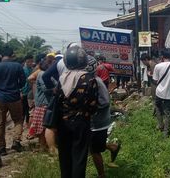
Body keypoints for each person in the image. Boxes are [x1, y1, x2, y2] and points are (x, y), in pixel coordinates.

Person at [56, 45, 99, 178]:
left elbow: (57, 100)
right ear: (83, 60)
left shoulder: (62, 78)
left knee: (65, 157)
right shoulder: (89, 78)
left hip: (62, 123)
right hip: (81, 123)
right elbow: (93, 105)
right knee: (79, 157)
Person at [86, 56, 121, 178]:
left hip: (98, 121)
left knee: (94, 150)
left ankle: (101, 175)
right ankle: (113, 147)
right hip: (97, 120)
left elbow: (105, 102)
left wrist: (90, 109)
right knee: (95, 145)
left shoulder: (96, 81)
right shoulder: (92, 80)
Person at [0, 47, 26, 155]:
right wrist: (16, 87)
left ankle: (1, 147)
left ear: (1, 55)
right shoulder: (17, 66)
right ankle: (16, 142)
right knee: (18, 120)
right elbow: (23, 82)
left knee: (0, 122)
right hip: (14, 97)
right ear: (12, 55)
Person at [27, 57, 53, 148]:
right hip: (43, 103)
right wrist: (55, 89)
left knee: (43, 126)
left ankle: (43, 145)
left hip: (43, 103)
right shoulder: (42, 74)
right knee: (43, 126)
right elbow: (46, 89)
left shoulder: (42, 74)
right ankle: (42, 146)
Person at [21, 55, 34, 128]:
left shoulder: (32, 69)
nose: (30, 63)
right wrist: (21, 92)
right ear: (26, 61)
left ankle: (27, 123)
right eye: (29, 61)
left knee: (29, 109)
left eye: (31, 61)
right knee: (23, 108)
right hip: (24, 91)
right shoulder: (23, 69)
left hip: (30, 91)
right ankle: (22, 123)